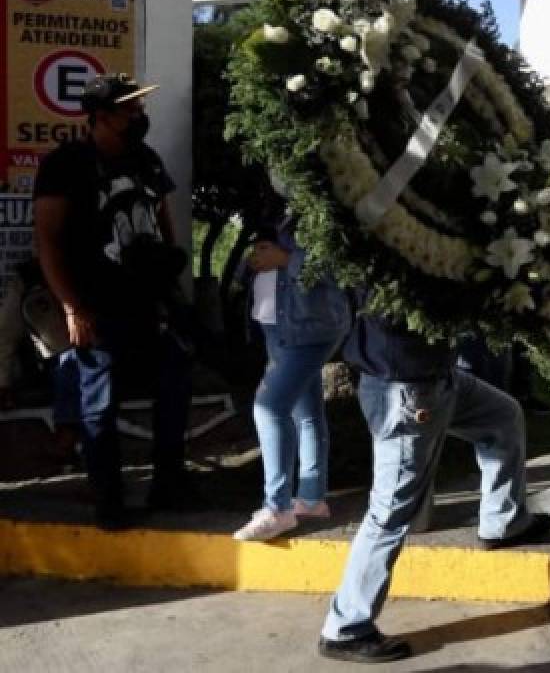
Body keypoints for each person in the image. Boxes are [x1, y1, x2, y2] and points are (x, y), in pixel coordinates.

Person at [317, 294, 550, 663]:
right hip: (405, 390)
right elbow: (398, 305)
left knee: (503, 416)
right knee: (391, 511)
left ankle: (504, 522)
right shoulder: (385, 251)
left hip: (441, 378)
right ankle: (345, 629)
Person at [33, 74, 193, 529]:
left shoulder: (145, 159)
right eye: (129, 109)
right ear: (100, 116)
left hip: (150, 302)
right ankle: (109, 499)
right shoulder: (66, 164)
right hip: (96, 304)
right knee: (99, 403)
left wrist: (168, 276)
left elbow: (162, 217)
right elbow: (48, 241)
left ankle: (170, 484)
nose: (139, 116)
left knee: (174, 383)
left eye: (140, 108)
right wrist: (71, 306)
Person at [231, 185, 351, 542]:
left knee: (269, 408)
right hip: (277, 326)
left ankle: (278, 508)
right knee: (307, 412)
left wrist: (284, 260)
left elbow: (335, 270)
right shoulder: (274, 213)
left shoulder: (322, 210)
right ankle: (312, 498)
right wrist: (253, 262)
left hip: (309, 329)